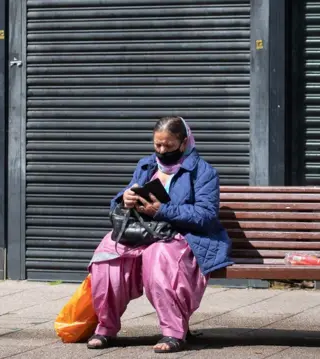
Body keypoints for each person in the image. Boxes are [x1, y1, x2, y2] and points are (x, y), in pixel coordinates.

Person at [86, 116, 233, 353]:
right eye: (157, 145)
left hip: (183, 235)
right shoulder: (146, 166)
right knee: (107, 257)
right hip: (144, 232)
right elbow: (124, 199)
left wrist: (162, 210)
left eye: (168, 145)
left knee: (160, 259)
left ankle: (174, 331)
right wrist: (125, 198)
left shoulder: (203, 172)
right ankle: (106, 327)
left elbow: (205, 216)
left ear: (184, 143)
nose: (162, 150)